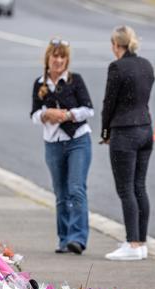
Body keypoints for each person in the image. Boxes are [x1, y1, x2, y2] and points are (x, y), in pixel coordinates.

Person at [30, 38, 94, 255]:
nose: (58, 60)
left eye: (62, 57)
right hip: (53, 142)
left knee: (76, 188)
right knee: (61, 193)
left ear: (67, 60)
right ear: (48, 58)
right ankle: (64, 238)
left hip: (77, 139)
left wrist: (67, 114)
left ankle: (78, 238)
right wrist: (46, 114)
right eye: (55, 56)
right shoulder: (40, 84)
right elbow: (34, 115)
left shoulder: (75, 80)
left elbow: (89, 110)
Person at [101, 26, 154, 261]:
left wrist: (105, 131)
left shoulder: (117, 67)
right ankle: (141, 242)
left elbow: (109, 102)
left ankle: (131, 243)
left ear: (116, 45)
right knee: (139, 186)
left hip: (124, 131)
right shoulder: (146, 65)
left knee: (125, 189)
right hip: (145, 128)